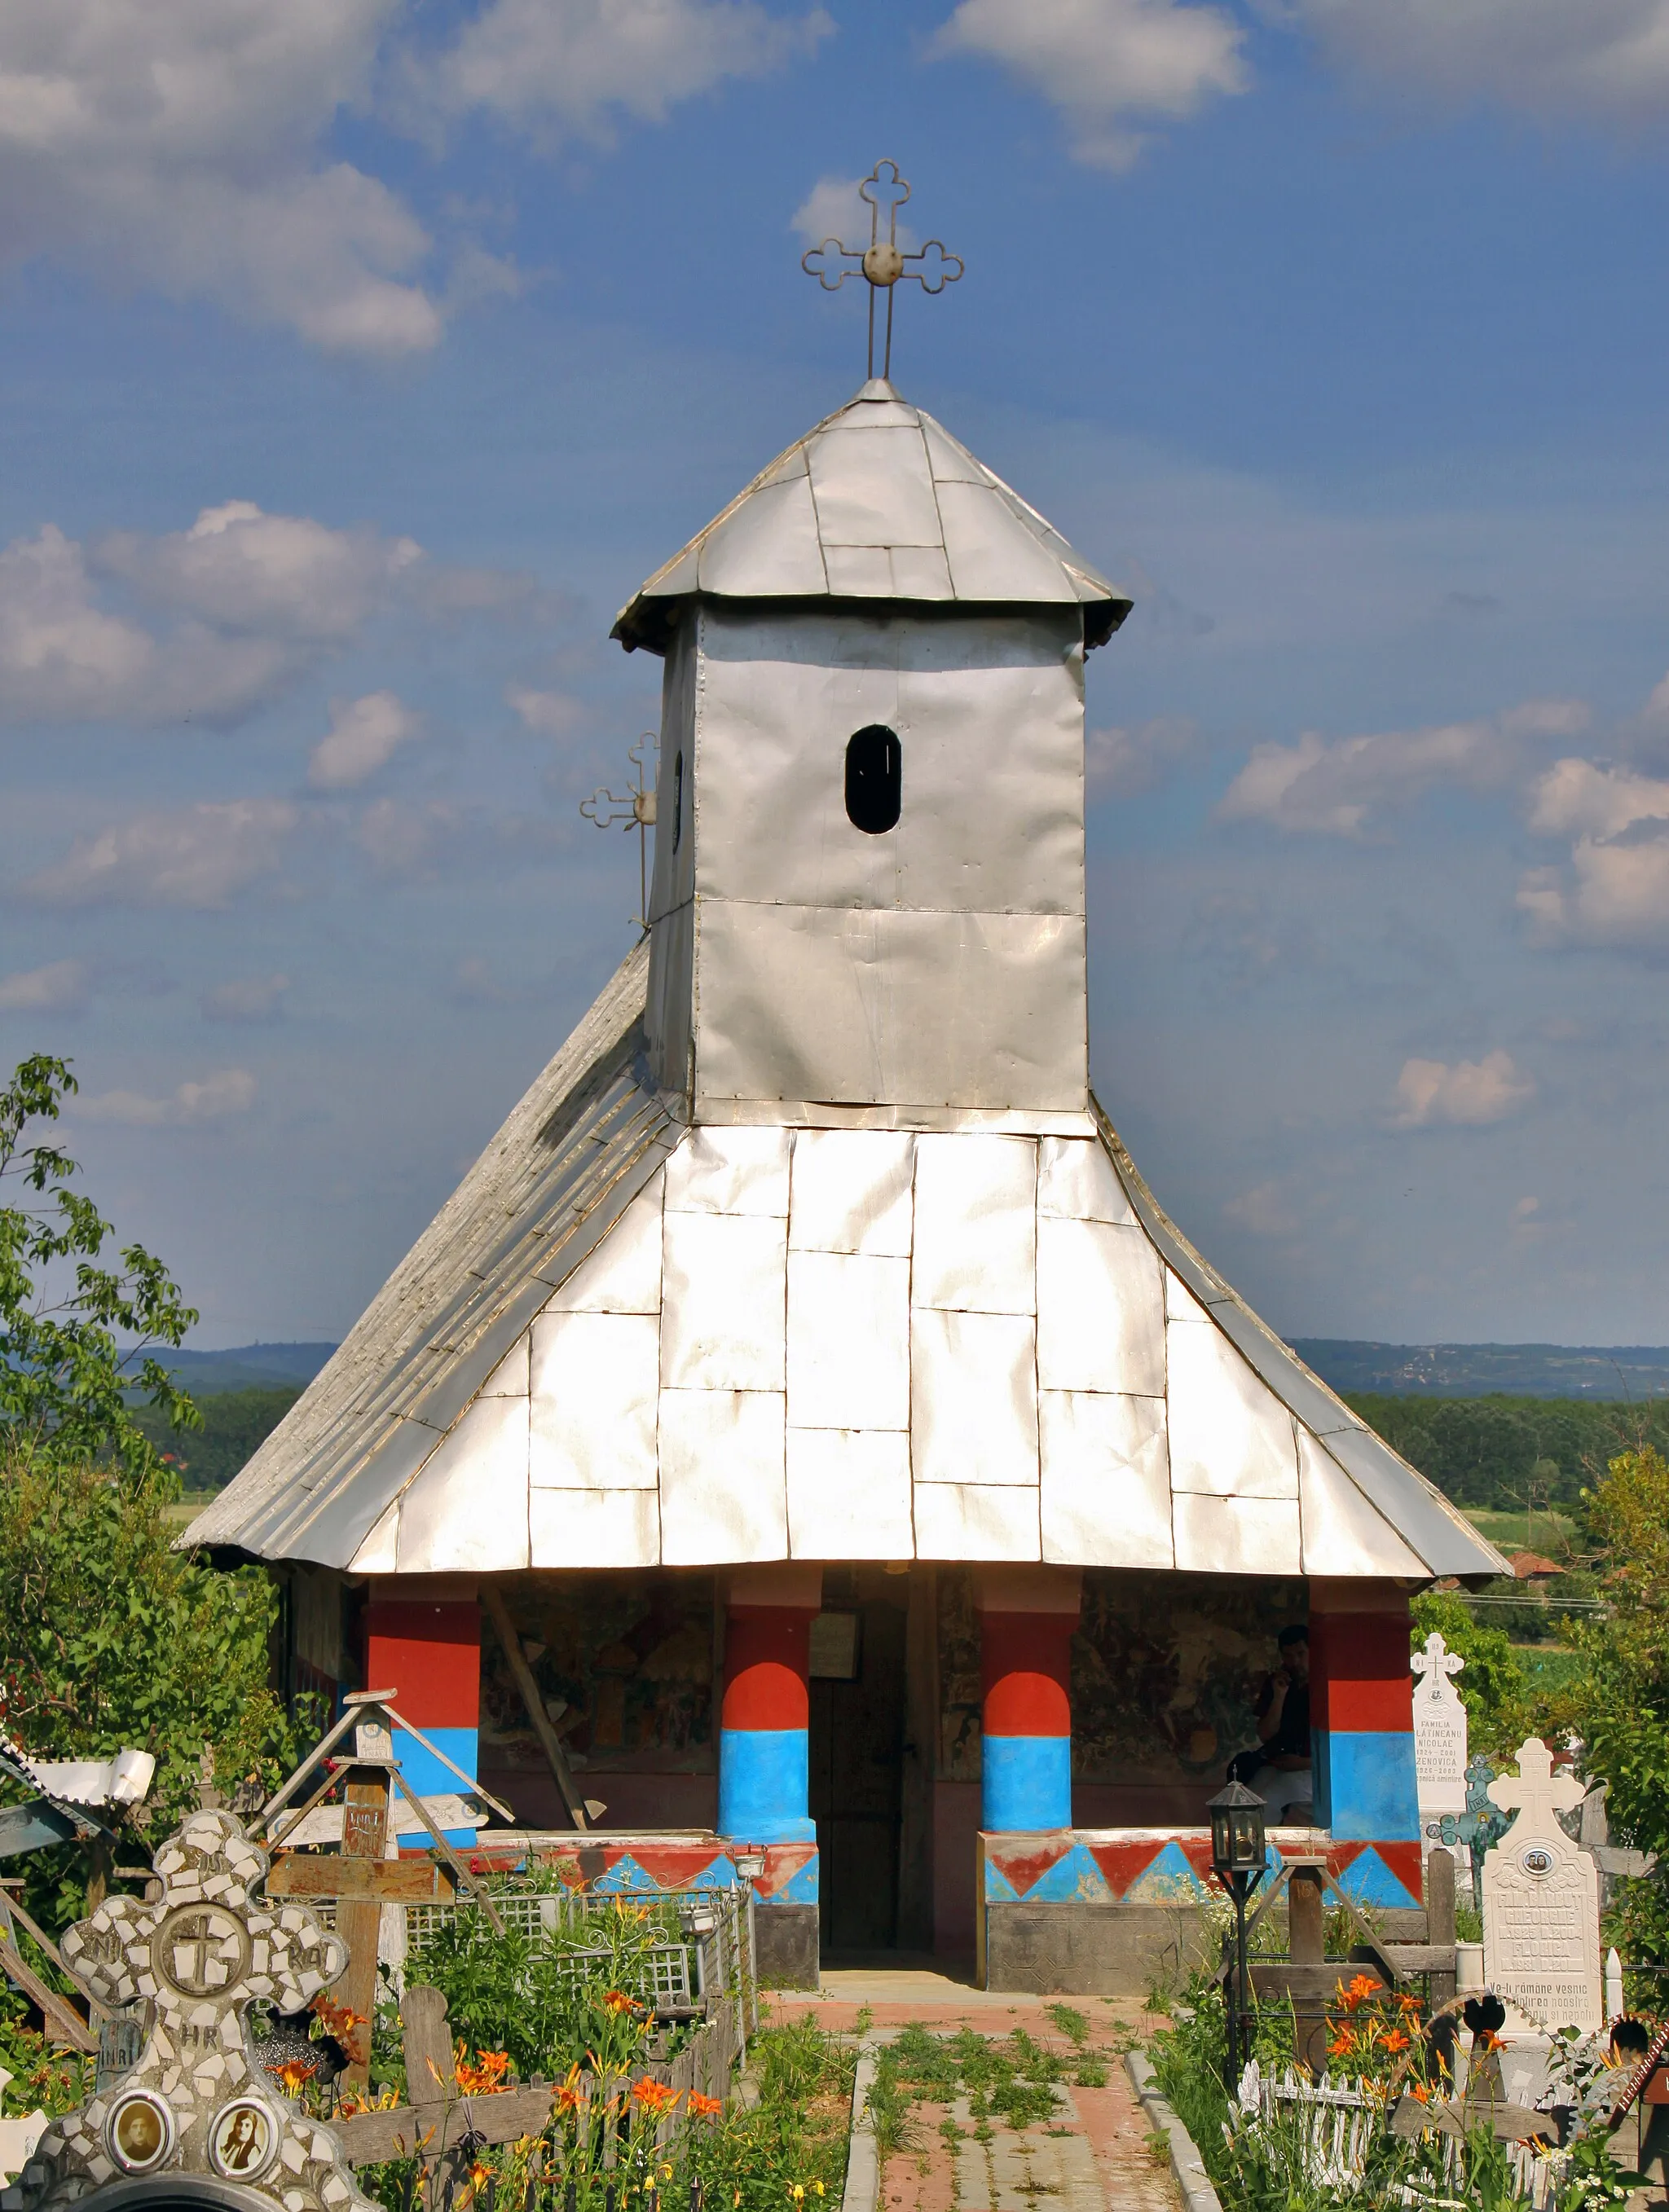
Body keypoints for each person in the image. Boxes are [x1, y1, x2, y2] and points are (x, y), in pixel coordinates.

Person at [1226, 1625, 1313, 1821]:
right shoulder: (1279, 1683)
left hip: (1313, 1770)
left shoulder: (1326, 1685)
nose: (1296, 1662)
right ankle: (1241, 1849)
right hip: (1280, 1764)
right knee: (1243, 1801)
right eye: (1289, 1656)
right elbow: (1266, 1734)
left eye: (1301, 1654)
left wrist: (1304, 1763)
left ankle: (1264, 1850)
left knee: (1267, 1801)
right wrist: (1279, 1697)